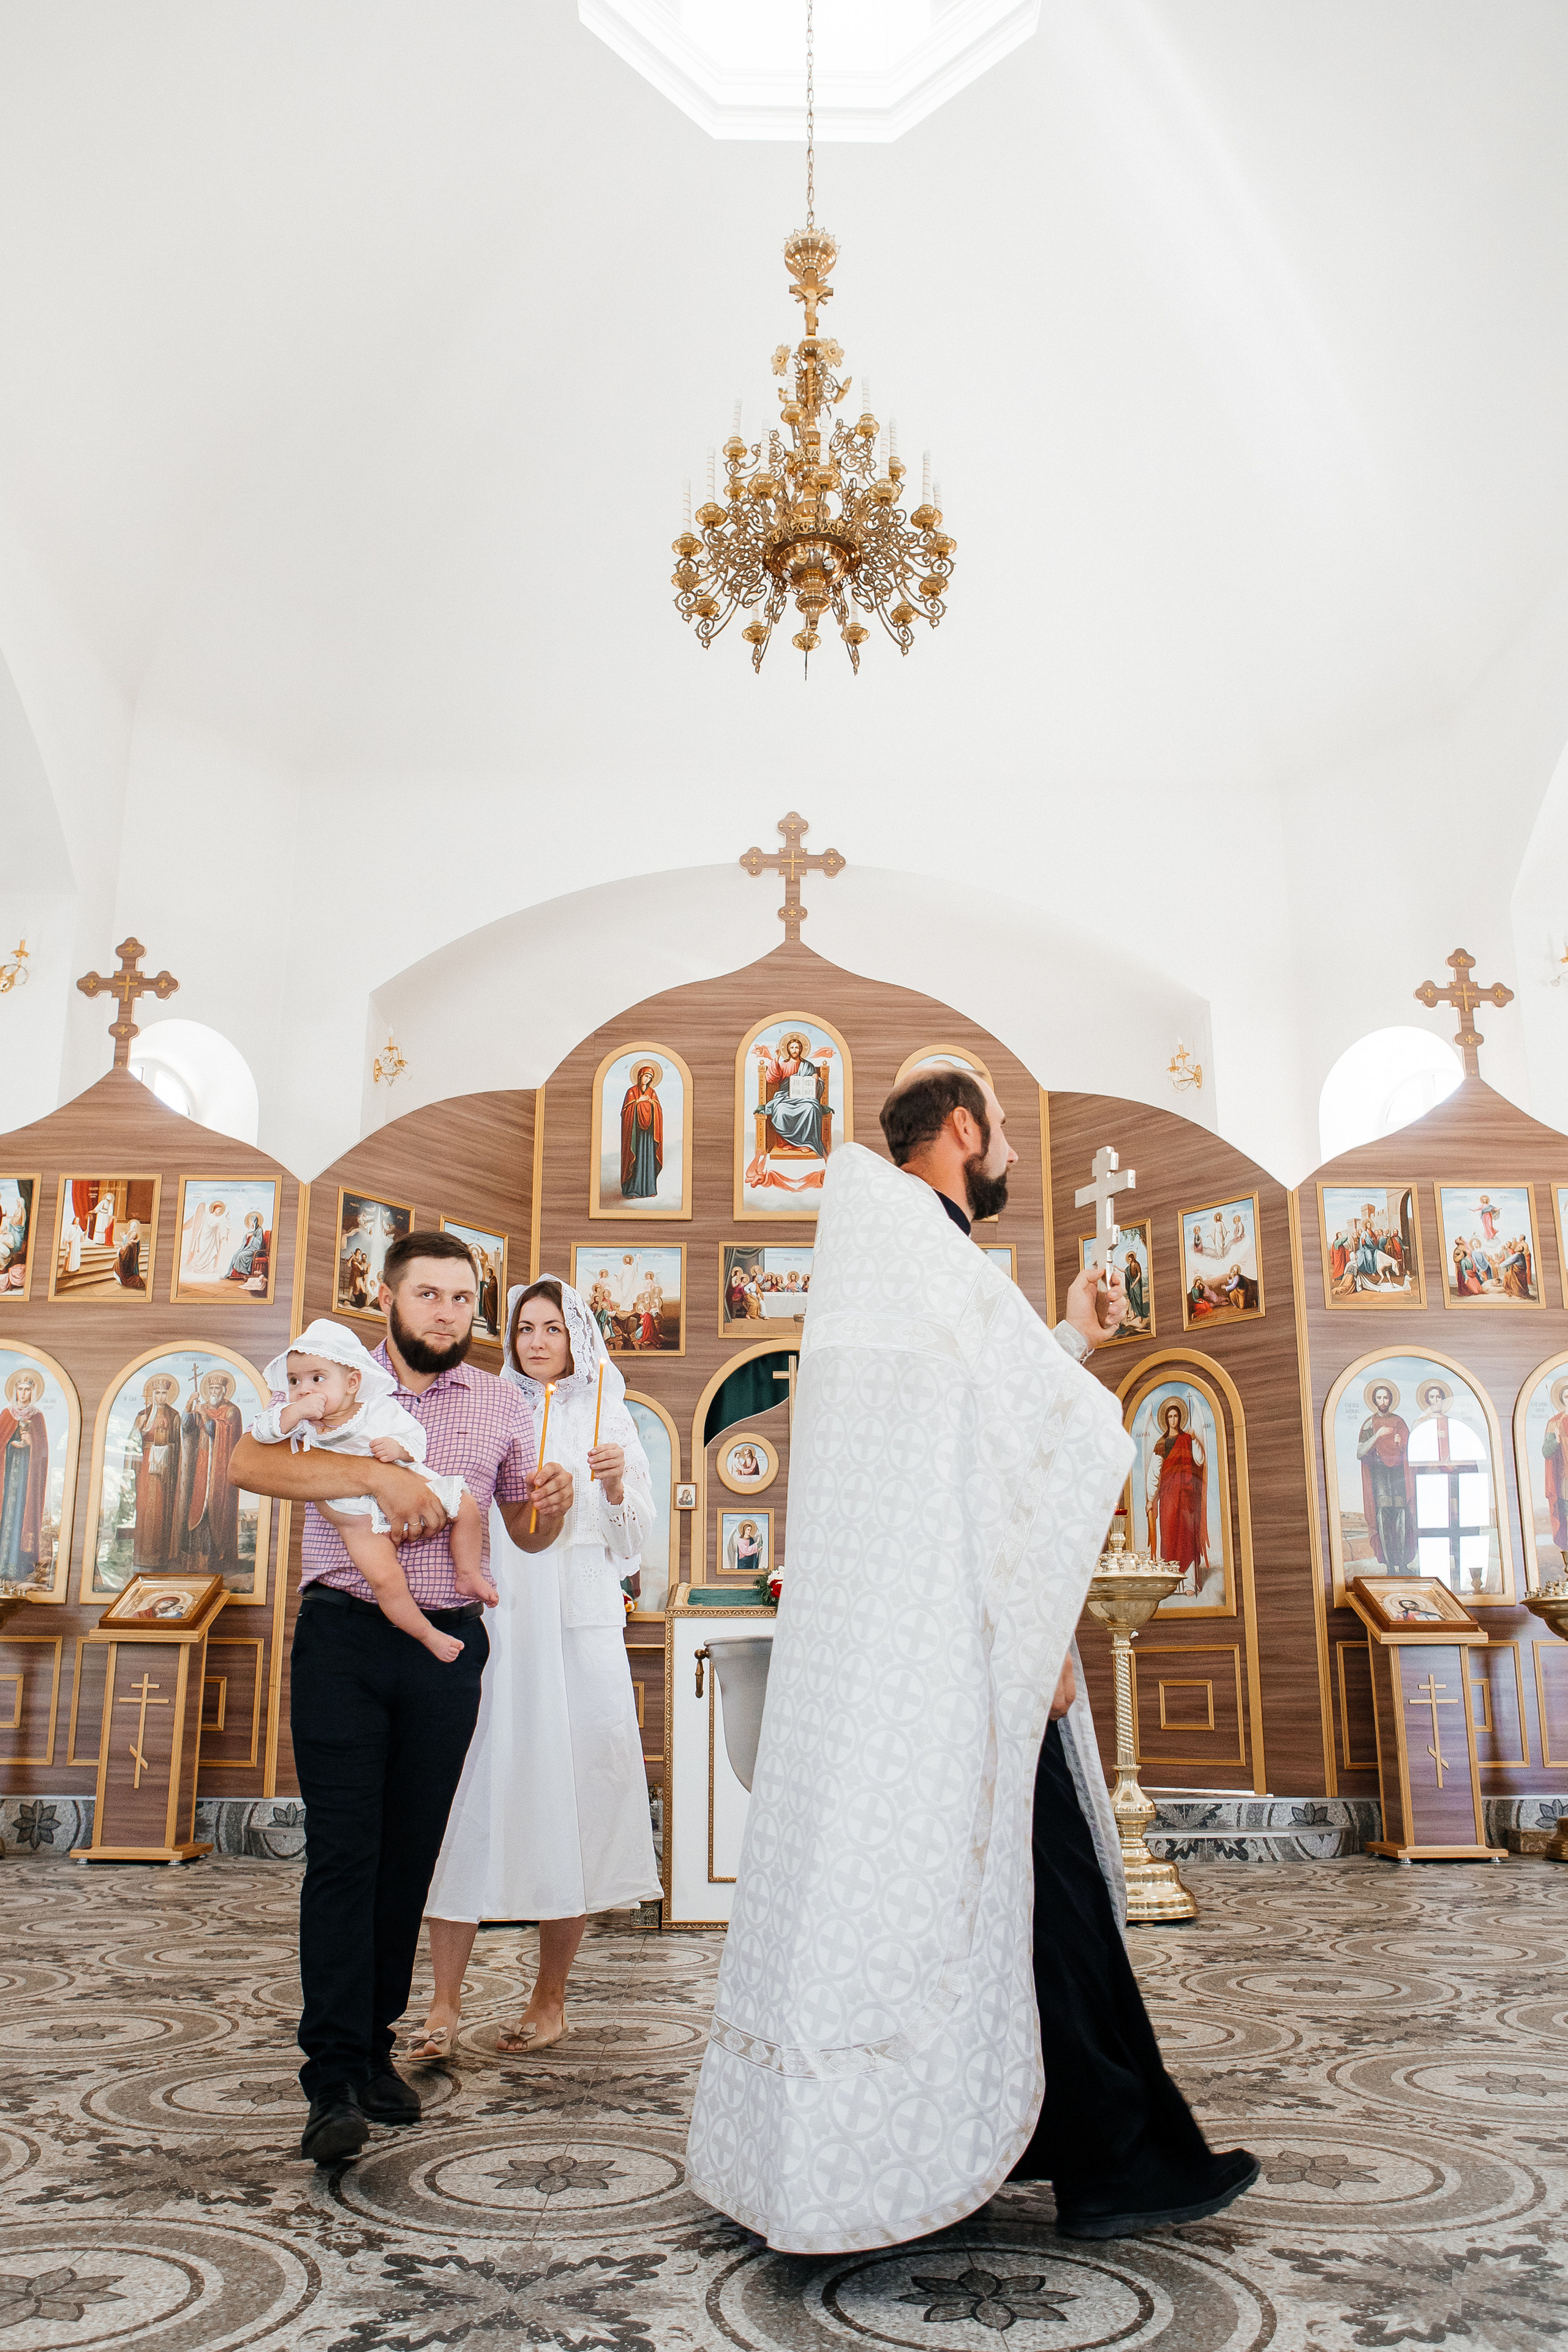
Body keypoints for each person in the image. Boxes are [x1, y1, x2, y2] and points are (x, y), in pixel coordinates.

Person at [688, 1062, 1257, 2252]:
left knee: (1012, 1896)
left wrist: (1066, 1336)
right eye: (996, 1131)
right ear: (961, 1129)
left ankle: (1072, 2139)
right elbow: (1019, 1438)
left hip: (904, 1652)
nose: (1001, 1153)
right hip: (955, 1656)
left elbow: (970, 1429)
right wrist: (1036, 1620)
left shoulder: (882, 1250)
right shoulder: (928, 1250)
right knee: (1032, 1885)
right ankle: (1110, 2156)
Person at [229, 1232, 571, 2166]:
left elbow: (528, 1535)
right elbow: (251, 1467)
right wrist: (373, 1474)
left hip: (450, 1646)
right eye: (430, 1295)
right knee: (346, 1853)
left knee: (408, 1855)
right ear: (388, 1298)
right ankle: (332, 2078)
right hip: (344, 1633)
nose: (448, 1314)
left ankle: (374, 2048)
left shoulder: (500, 1399)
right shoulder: (333, 1375)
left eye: (464, 1299)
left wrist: (560, 1497)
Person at [419, 1277, 660, 2059]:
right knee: (466, 1792)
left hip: (580, 1624)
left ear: (577, 1336)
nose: (536, 1340)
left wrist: (617, 1480)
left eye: (552, 1328)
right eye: (525, 1327)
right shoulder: (487, 1407)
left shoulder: (610, 1415)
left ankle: (549, 1999)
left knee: (579, 1797)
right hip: (500, 1613)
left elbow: (632, 1547)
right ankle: (442, 2006)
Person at [251, 1318, 494, 1657]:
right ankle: (427, 1635)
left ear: (352, 1382)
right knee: (385, 1579)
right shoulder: (299, 1421)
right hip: (353, 1514)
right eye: (294, 1381)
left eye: (317, 1379)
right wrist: (294, 1412)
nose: (304, 1389)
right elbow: (261, 1434)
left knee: (465, 1505)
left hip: (408, 1485)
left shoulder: (377, 1408)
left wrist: (398, 1448)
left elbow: (414, 1438)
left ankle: (468, 1573)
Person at [1357, 1381, 1417, 1569]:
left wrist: (1402, 1442)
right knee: (1383, 1513)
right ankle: (1390, 1564)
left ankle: (1403, 1564)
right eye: (1379, 1397)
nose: (1383, 1401)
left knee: (1401, 1512)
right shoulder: (1370, 1423)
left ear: (1391, 1399)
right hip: (1379, 1472)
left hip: (1398, 1471)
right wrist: (1377, 1436)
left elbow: (1411, 1448)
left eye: (1386, 1397)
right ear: (1374, 1400)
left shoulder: (1399, 1421)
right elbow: (1360, 1453)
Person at [620, 1061, 664, 1201]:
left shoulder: (653, 1093)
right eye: (646, 1076)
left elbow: (659, 1111)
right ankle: (633, 1189)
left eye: (650, 1078)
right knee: (637, 1158)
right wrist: (638, 1101)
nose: (648, 1079)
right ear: (640, 1076)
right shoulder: (631, 1092)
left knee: (649, 1159)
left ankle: (649, 1188)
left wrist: (652, 1103)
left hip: (650, 1133)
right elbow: (625, 1113)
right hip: (636, 1133)